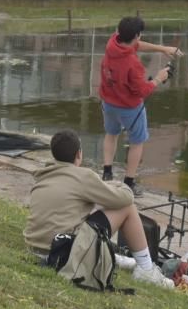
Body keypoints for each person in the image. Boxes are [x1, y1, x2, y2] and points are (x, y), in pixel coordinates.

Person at [23, 129, 175, 288]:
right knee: (128, 208)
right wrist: (118, 185)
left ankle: (115, 258)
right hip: (65, 253)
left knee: (90, 213)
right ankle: (146, 270)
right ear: (78, 155)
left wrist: (102, 187)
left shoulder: (43, 175)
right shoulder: (83, 177)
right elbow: (125, 198)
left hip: (36, 247)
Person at [99, 16, 179, 197]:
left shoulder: (112, 43)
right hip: (130, 108)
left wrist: (162, 49)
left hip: (108, 102)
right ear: (136, 35)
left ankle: (107, 173)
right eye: (139, 36)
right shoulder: (132, 65)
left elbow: (135, 45)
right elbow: (142, 91)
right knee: (137, 142)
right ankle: (129, 183)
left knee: (111, 134)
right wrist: (159, 78)